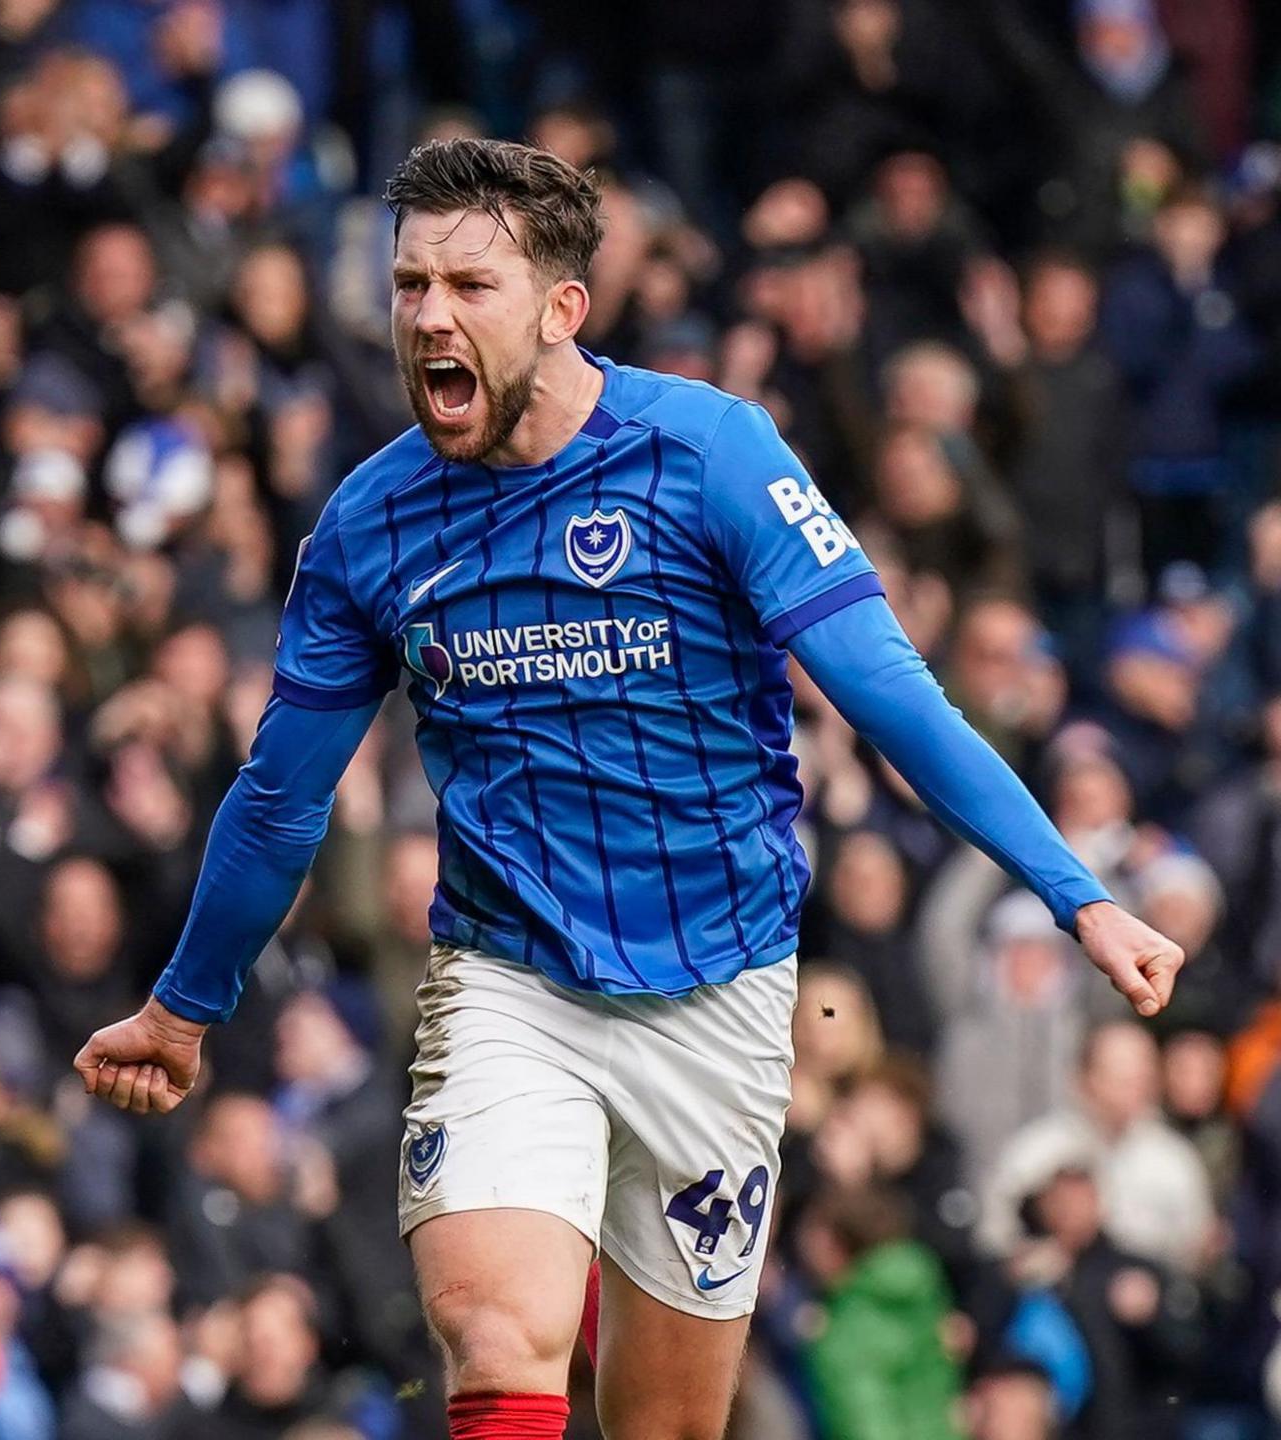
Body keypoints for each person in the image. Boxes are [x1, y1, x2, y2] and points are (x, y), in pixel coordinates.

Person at [73, 138, 1186, 1439]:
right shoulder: (371, 527)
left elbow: (894, 700)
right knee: (498, 1335)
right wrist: (185, 1005)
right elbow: (279, 797)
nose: (428, 313)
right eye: (410, 284)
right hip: (510, 981)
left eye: (468, 286)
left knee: (661, 1424)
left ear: (562, 310)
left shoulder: (712, 454)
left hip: (720, 989)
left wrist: (1077, 897)